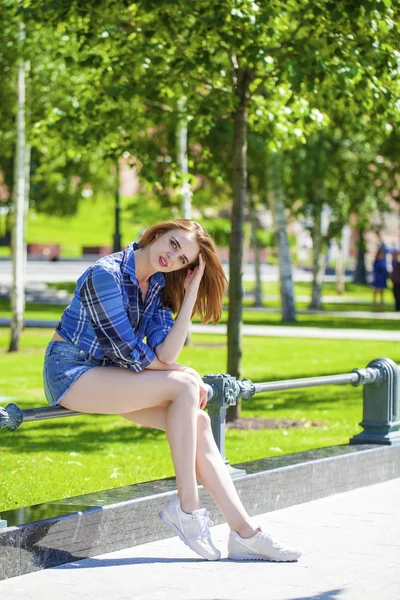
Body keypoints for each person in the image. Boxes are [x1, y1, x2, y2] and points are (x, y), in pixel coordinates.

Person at [43, 219, 301, 562]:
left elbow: (165, 353)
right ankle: (188, 507)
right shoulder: (105, 274)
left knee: (200, 422)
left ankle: (244, 532)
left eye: (183, 260)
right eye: (174, 244)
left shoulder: (158, 286)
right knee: (183, 386)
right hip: (71, 371)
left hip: (110, 374)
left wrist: (191, 294)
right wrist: (184, 373)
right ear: (157, 234)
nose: (173, 257)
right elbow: (128, 353)